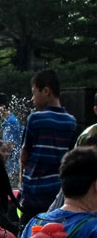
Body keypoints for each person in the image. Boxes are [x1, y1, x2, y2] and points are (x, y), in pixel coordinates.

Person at [20, 69, 77, 219]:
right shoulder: (71, 122)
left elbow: (24, 154)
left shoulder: (35, 119)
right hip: (57, 195)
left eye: (34, 92)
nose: (32, 98)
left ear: (46, 91)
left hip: (34, 195)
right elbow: (70, 158)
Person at [0, 93, 22, 183]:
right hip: (12, 164)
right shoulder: (9, 121)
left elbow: (9, 145)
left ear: (1, 106)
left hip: (13, 165)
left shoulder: (11, 122)